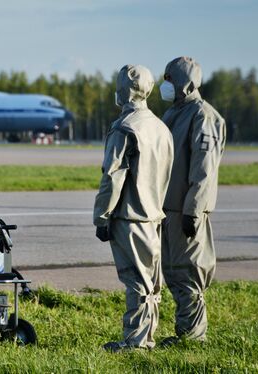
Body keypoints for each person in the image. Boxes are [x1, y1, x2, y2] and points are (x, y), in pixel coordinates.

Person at [94, 64, 174, 352]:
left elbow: (112, 176)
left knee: (137, 283)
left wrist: (102, 216)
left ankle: (136, 342)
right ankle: (147, 336)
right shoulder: (162, 128)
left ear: (123, 90)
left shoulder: (125, 127)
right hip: (154, 215)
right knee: (152, 284)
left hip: (130, 215)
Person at [159, 57, 226, 346]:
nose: (165, 86)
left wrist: (193, 210)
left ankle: (194, 338)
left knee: (188, 272)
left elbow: (204, 169)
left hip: (186, 210)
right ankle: (185, 333)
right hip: (168, 209)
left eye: (170, 80)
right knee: (173, 272)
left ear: (184, 83)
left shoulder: (203, 116)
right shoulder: (175, 113)